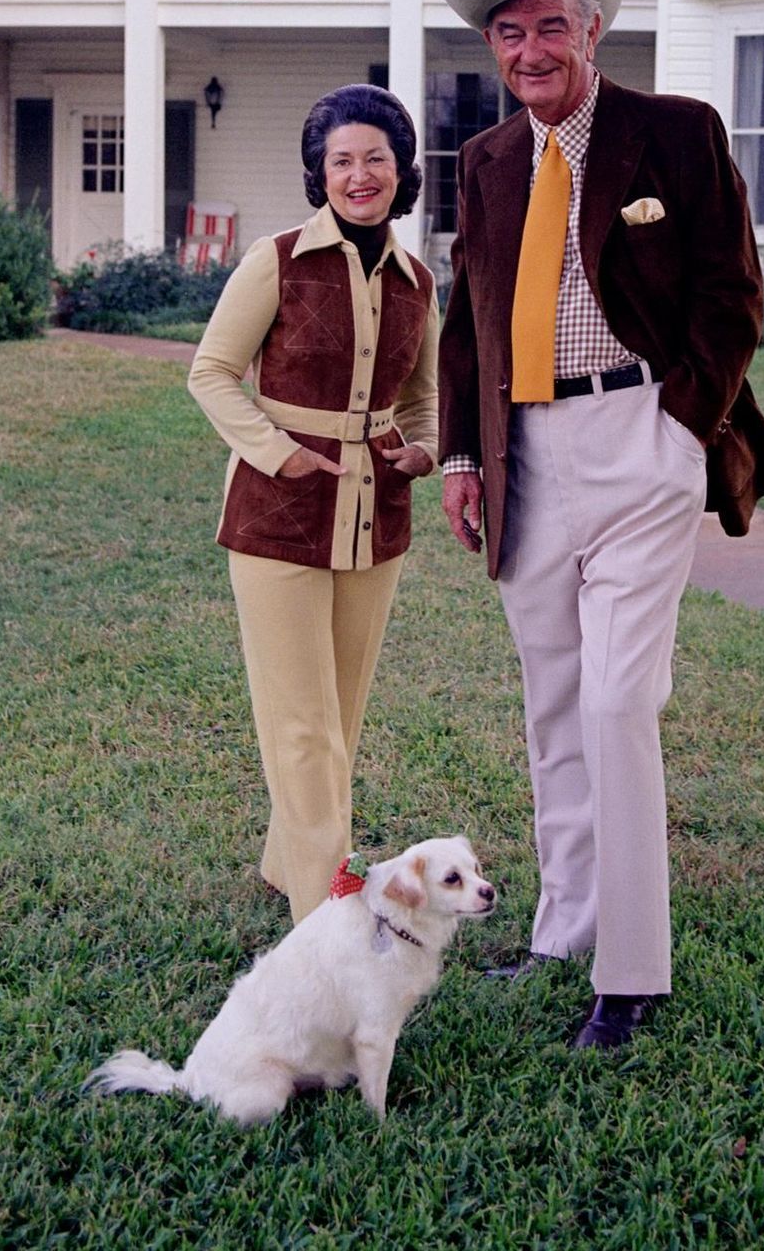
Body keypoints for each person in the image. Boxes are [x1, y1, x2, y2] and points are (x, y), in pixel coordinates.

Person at [438, 0, 764, 1050]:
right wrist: (460, 454)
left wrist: (680, 427)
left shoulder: (673, 132)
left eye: (551, 25)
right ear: (494, 50)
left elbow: (731, 289)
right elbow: (469, 316)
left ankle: (632, 975)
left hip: (639, 433)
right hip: (524, 452)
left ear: (593, 31)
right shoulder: (489, 158)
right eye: (510, 31)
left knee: (615, 700)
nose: (531, 47)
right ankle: (563, 927)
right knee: (552, 702)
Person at [189, 84, 440, 923]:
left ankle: (281, 859)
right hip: (277, 516)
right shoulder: (279, 259)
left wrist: (425, 448)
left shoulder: (416, 281)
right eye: (341, 160)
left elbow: (424, 397)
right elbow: (211, 373)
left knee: (340, 711)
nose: (358, 174)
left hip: (378, 520)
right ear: (318, 172)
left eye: (375, 158)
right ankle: (322, 915)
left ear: (401, 170)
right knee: (301, 728)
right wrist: (277, 452)